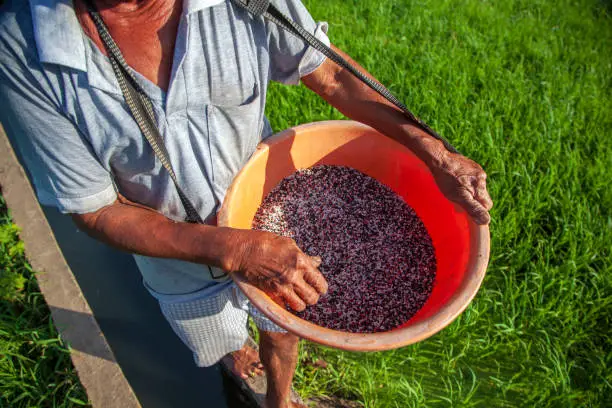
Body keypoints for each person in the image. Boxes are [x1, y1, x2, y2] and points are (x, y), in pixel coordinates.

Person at [0, 0, 493, 406]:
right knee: (215, 331)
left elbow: (333, 75)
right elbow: (96, 209)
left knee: (282, 316)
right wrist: (231, 249)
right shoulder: (25, 46)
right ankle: (235, 354)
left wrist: (431, 149)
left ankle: (280, 396)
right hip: (171, 249)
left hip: (267, 206)